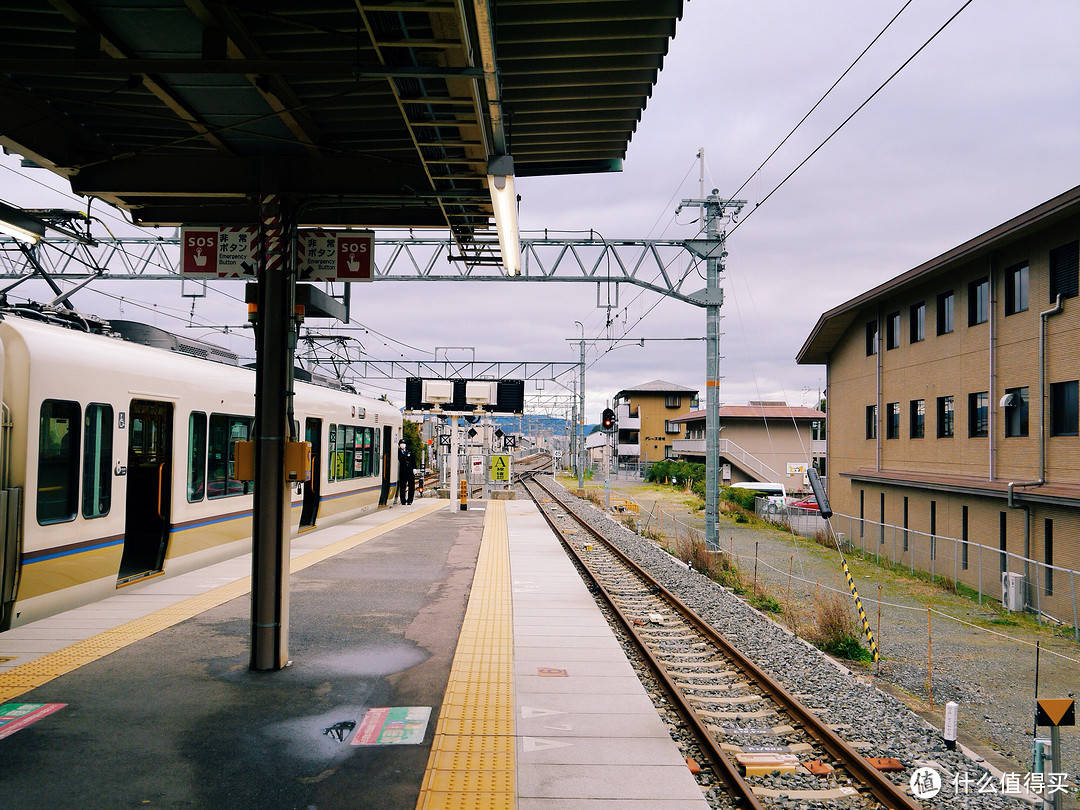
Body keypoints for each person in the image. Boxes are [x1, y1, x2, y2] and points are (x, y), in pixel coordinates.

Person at [397, 440, 416, 504]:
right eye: (401, 444)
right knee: (402, 486)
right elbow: (401, 460)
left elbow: (413, 460)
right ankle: (403, 500)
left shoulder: (409, 450)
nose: (402, 445)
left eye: (404, 443)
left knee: (411, 486)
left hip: (410, 471)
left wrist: (414, 468)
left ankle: (410, 500)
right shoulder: (398, 452)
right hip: (403, 472)